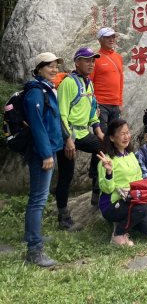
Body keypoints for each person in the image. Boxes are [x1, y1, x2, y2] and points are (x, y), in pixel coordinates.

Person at [22, 52, 64, 267]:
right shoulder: (35, 93)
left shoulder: (47, 89)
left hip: (48, 150)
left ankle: (32, 235)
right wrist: (47, 153)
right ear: (39, 68)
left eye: (56, 66)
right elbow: (37, 125)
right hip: (42, 153)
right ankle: (34, 249)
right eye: (50, 66)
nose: (54, 69)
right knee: (38, 199)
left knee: (39, 196)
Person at [55, 47, 104, 228]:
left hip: (83, 133)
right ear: (77, 62)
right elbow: (61, 115)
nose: (91, 63)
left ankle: (97, 190)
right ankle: (63, 217)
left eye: (93, 60)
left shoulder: (88, 83)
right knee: (66, 176)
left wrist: (98, 130)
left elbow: (92, 111)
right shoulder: (68, 83)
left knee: (103, 147)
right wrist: (68, 140)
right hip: (67, 135)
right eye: (87, 60)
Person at [97, 119, 147, 246]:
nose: (126, 137)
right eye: (122, 134)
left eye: (127, 132)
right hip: (112, 203)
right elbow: (106, 189)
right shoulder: (107, 160)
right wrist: (109, 172)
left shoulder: (131, 156)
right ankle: (118, 234)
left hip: (131, 199)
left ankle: (123, 221)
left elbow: (139, 179)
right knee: (144, 207)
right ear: (112, 138)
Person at [90, 27, 124, 133]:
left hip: (115, 104)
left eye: (113, 37)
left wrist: (120, 102)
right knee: (103, 136)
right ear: (100, 40)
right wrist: (93, 104)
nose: (111, 39)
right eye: (108, 37)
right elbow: (90, 82)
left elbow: (120, 80)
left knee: (116, 135)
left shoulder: (118, 57)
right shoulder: (95, 58)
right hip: (101, 104)